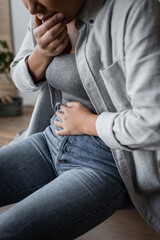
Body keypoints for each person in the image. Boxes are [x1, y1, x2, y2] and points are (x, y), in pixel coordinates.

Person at [0, 0, 160, 238]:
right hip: (49, 141)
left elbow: (152, 123)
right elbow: (19, 79)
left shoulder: (133, 10)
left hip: (105, 163)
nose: (32, 9)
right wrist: (41, 53)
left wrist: (89, 123)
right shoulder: (47, 14)